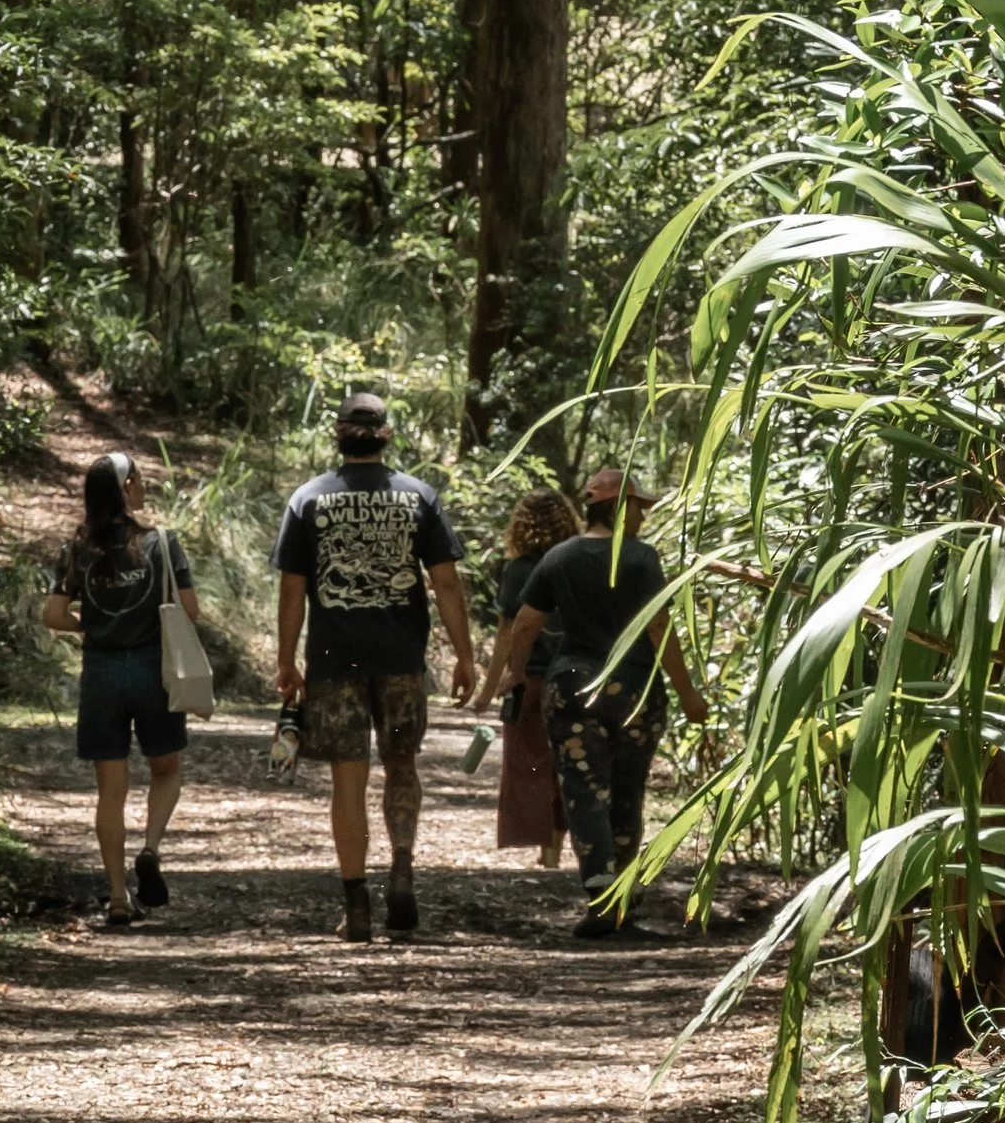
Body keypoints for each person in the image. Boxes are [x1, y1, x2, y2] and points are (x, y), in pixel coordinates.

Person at [275, 387, 475, 943]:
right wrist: (465, 656)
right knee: (402, 765)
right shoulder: (418, 497)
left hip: (334, 660)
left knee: (348, 781)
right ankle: (403, 873)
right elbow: (447, 583)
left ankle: (357, 903)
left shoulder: (308, 500)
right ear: (386, 436)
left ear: (337, 435)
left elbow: (293, 590)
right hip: (402, 659)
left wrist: (286, 659)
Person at [492, 468, 708, 939]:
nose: (643, 518)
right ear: (618, 507)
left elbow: (525, 622)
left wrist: (515, 672)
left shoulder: (558, 557)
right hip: (634, 692)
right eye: (639, 508)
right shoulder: (640, 559)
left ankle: (600, 895)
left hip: (571, 689)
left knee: (584, 791)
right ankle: (624, 901)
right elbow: (657, 628)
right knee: (628, 792)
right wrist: (688, 693)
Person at [43, 450, 202, 929]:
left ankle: (116, 896)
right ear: (127, 486)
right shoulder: (161, 542)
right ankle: (150, 848)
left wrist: (93, 625)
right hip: (154, 670)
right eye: (141, 478)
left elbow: (51, 615)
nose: (145, 485)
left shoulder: (75, 549)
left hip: (102, 676)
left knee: (109, 792)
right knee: (166, 770)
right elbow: (189, 610)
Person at [474, 484, 579, 865]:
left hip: (528, 679)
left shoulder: (517, 570)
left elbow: (508, 631)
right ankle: (556, 845)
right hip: (575, 679)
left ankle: (545, 851)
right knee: (566, 764)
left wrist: (488, 691)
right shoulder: (578, 563)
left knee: (528, 763)